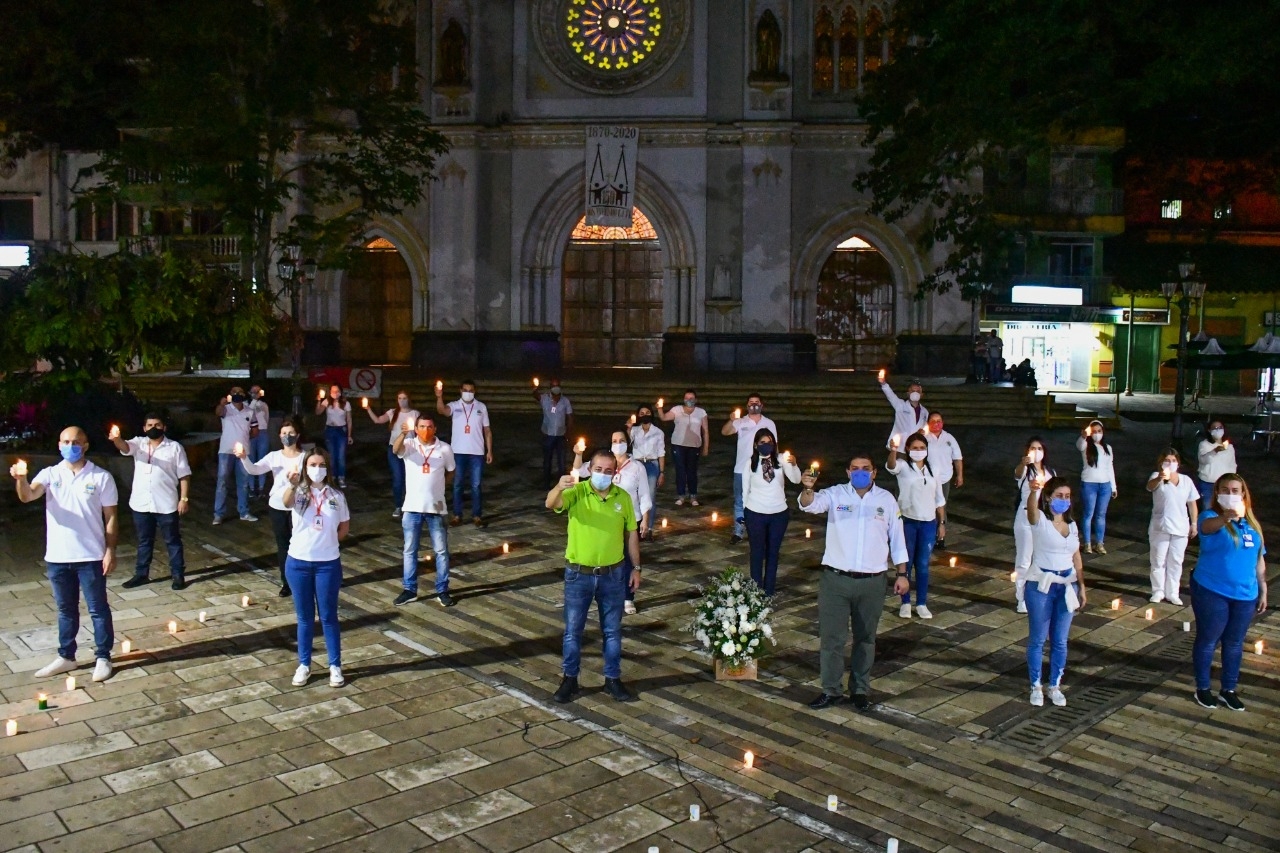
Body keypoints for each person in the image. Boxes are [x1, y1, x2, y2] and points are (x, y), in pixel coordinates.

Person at [799, 452, 909, 711]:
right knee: (832, 639)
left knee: (866, 638)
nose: (860, 472)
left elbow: (898, 539)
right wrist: (807, 488)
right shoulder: (836, 494)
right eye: (855, 468)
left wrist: (902, 574)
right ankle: (831, 689)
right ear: (848, 472)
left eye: (866, 468)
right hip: (835, 580)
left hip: (872, 581)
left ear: (874, 472)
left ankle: (860, 689)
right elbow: (809, 504)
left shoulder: (887, 500)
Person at [11, 427, 119, 683]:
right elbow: (27, 495)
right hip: (58, 556)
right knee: (65, 609)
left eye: (76, 442)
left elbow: (111, 516)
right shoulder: (50, 474)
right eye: (66, 442)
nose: (71, 446)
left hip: (90, 555)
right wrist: (20, 478)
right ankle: (66, 656)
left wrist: (110, 549)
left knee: (97, 608)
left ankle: (103, 656)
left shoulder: (102, 477)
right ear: (59, 444)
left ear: (86, 445)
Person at [545, 449, 641, 704]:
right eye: (598, 470)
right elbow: (551, 504)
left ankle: (612, 679)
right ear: (590, 469)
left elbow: (631, 534)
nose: (602, 475)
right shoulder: (577, 492)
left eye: (608, 471)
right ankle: (570, 679)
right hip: (579, 575)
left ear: (615, 472)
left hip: (613, 575)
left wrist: (637, 568)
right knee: (573, 631)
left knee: (612, 631)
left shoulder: (623, 498)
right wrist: (558, 486)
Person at [1191, 474, 1267, 711]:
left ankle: (1229, 689)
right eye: (1225, 490)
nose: (1231, 494)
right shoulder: (1211, 516)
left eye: (1236, 490)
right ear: (1217, 493)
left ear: (1244, 493)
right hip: (1213, 589)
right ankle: (1203, 688)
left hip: (1245, 594)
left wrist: (1263, 588)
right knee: (1209, 639)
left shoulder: (1252, 524)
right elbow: (1207, 528)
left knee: (1234, 643)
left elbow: (1258, 559)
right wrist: (1226, 517)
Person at [281, 448, 350, 688]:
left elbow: (344, 526)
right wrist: (292, 485)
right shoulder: (300, 492)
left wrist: (328, 542)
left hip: (327, 564)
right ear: (305, 467)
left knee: (329, 616)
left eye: (321, 464)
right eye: (312, 464)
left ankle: (335, 666)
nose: (317, 468)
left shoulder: (336, 496)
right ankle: (304, 664)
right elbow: (286, 502)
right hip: (298, 562)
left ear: (327, 468)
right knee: (304, 617)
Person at [1024, 475, 1087, 707]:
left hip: (1065, 586)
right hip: (1041, 586)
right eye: (1059, 496)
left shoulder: (1072, 526)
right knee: (1038, 639)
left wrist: (1082, 585)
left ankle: (1055, 685)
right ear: (1049, 497)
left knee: (1060, 640)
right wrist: (1034, 491)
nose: (1063, 500)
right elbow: (1031, 511)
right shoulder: (1040, 520)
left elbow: (1076, 556)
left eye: (1067, 496)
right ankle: (1036, 685)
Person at [572, 432, 651, 615]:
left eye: (621, 441)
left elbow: (645, 495)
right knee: (611, 558)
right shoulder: (604, 464)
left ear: (627, 443)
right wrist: (578, 453)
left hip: (630, 519)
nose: (618, 444)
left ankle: (628, 598)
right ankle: (606, 593)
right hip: (606, 518)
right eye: (614, 441)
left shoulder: (637, 467)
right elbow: (580, 471)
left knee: (629, 559)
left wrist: (645, 520)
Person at [110, 414, 191, 590]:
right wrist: (116, 439)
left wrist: (183, 498)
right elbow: (124, 447)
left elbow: (184, 475)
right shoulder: (139, 443)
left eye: (157, 424)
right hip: (141, 503)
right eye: (150, 425)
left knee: (172, 540)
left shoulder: (175, 448)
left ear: (164, 427)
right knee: (144, 540)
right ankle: (141, 574)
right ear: (144, 428)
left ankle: (178, 575)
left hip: (166, 503)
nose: (153, 427)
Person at [237, 418, 307, 596]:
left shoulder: (305, 457)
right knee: (283, 545)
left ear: (297, 435)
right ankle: (287, 582)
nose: (287, 436)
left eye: (291, 433)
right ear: (279, 436)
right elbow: (254, 470)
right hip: (277, 506)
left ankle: (304, 580)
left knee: (301, 544)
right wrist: (244, 457)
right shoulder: (274, 456)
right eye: (284, 433)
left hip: (298, 508)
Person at [393, 415, 457, 607]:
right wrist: (403, 433)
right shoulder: (410, 444)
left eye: (429, 427)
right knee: (410, 550)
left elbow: (451, 470)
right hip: (412, 507)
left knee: (441, 551)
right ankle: (409, 589)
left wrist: (441, 487)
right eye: (421, 426)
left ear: (435, 429)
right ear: (416, 428)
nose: (425, 430)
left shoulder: (444, 448)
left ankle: (442, 589)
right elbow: (396, 449)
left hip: (436, 507)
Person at [886, 433, 945, 619]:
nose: (918, 451)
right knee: (907, 562)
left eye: (922, 448)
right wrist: (894, 451)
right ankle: (905, 602)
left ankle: (921, 602)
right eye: (914, 448)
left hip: (928, 522)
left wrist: (941, 522)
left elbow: (939, 498)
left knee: (923, 564)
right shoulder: (903, 466)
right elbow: (891, 466)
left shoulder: (933, 468)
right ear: (908, 450)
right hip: (907, 521)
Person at [741, 429, 799, 597]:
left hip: (778, 514)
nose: (767, 446)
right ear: (756, 445)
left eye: (770, 442)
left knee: (773, 552)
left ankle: (769, 590)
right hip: (755, 513)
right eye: (763, 443)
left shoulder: (781, 461)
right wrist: (744, 513)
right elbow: (745, 490)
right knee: (757, 553)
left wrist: (794, 464)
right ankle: (755, 589)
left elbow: (795, 479)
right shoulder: (750, 463)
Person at [721, 394, 778, 544]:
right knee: (740, 500)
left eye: (757, 402)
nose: (754, 405)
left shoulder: (769, 423)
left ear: (762, 405)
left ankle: (759, 530)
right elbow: (725, 432)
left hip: (763, 467)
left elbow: (775, 446)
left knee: (762, 498)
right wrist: (732, 420)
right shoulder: (741, 422)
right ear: (747, 406)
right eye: (751, 403)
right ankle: (738, 531)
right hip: (741, 467)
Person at [1145, 448, 1199, 605]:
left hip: (1180, 527)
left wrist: (1194, 523)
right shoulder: (1156, 476)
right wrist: (1160, 478)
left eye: (1174, 461)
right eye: (1167, 461)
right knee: (1158, 560)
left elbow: (1192, 503)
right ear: (1161, 463)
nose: (1170, 463)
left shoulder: (1186, 480)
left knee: (1176, 561)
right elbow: (1150, 487)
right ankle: (1158, 591)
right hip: (1160, 526)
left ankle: (1173, 592)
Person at [437, 379, 492, 526]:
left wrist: (489, 451)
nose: (468, 393)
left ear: (475, 392)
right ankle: (457, 515)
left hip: (477, 452)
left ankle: (477, 515)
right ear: (460, 391)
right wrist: (439, 396)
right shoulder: (455, 406)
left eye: (471, 390)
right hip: (458, 452)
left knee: (476, 485)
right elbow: (442, 411)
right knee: (457, 484)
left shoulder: (481, 407)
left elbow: (487, 430)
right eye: (465, 390)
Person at [1013, 437, 1055, 613]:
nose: (1036, 451)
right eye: (1032, 448)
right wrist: (1023, 463)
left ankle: (1040, 595)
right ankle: (1021, 598)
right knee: (1024, 559)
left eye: (1039, 448)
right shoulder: (1025, 470)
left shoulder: (1050, 472)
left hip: (1044, 518)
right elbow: (1017, 473)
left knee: (1042, 559)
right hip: (1025, 517)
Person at [368, 391, 420, 518]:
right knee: (398, 477)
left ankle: (410, 505)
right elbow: (378, 420)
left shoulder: (415, 414)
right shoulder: (392, 412)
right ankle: (398, 505)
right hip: (394, 449)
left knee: (410, 478)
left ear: (409, 399)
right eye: (399, 398)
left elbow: (420, 430)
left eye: (404, 398)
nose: (402, 400)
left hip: (410, 449)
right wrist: (368, 408)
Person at [657, 389, 709, 506]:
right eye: (686, 398)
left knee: (692, 471)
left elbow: (705, 431)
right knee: (680, 471)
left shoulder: (701, 412)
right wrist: (660, 409)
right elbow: (664, 418)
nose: (689, 400)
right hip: (678, 445)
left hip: (694, 446)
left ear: (696, 400)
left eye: (691, 398)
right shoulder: (677, 410)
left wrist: (706, 447)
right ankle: (681, 496)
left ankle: (693, 496)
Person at [214, 387, 256, 523]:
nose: (237, 395)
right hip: (226, 451)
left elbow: (255, 430)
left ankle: (244, 511)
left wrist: (245, 438)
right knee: (222, 481)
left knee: (243, 483)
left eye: (240, 392)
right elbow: (218, 413)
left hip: (243, 452)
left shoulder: (250, 411)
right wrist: (222, 403)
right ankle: (218, 514)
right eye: (234, 393)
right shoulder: (226, 409)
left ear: (244, 395)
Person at [923, 411, 963, 549]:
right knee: (928, 506)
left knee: (941, 506)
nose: (936, 424)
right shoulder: (923, 437)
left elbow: (957, 458)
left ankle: (941, 536)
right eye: (932, 421)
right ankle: (928, 534)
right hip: (927, 478)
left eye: (938, 420)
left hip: (944, 478)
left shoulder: (949, 438)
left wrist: (960, 475)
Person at [1076, 420, 1117, 554]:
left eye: (1099, 431)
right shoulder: (1086, 446)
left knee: (1101, 515)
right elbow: (1079, 445)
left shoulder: (1108, 448)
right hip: (1089, 483)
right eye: (1094, 431)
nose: (1097, 434)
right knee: (1088, 513)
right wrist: (1083, 436)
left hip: (1105, 485)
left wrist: (1113, 487)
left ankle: (1100, 543)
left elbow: (1110, 467)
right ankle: (1087, 543)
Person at [629, 403, 665, 537]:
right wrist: (628, 428)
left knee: (649, 497)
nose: (645, 415)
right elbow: (629, 444)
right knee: (635, 495)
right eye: (642, 413)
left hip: (651, 465)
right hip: (637, 464)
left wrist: (661, 472)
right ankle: (636, 525)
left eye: (647, 412)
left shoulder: (658, 432)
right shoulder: (634, 430)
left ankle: (648, 528)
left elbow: (661, 453)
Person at [535, 378, 573, 489]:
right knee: (547, 461)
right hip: (548, 435)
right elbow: (535, 395)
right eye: (553, 386)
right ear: (550, 387)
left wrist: (569, 432)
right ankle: (546, 484)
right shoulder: (545, 399)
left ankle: (562, 485)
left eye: (557, 386)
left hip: (561, 435)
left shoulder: (565, 401)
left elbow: (570, 416)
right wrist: (535, 388)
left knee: (562, 462)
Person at [315, 385, 352, 488]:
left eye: (338, 391)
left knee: (340, 456)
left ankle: (341, 477)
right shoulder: (327, 402)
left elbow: (349, 420)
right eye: (333, 391)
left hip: (341, 430)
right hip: (330, 430)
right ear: (330, 392)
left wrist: (349, 435)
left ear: (341, 392)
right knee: (331, 455)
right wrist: (319, 401)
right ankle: (332, 477)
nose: (335, 393)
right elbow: (318, 412)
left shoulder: (346, 403)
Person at [878, 376, 928, 450]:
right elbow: (890, 396)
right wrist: (883, 383)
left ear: (921, 395)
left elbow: (925, 430)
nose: (915, 393)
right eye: (912, 391)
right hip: (900, 447)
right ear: (908, 393)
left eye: (917, 391)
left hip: (916, 449)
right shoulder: (900, 405)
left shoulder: (925, 412)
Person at [1196, 420, 1236, 510]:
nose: (1218, 430)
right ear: (1209, 431)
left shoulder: (1230, 447)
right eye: (1215, 428)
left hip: (1225, 483)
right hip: (1208, 483)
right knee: (1208, 508)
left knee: (1225, 509)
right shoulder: (1204, 445)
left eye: (1220, 428)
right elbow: (1203, 460)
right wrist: (1215, 451)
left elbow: (1232, 465)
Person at [247, 385, 270, 498]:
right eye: (254, 391)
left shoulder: (264, 405)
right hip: (251, 433)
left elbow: (266, 419)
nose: (256, 393)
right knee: (251, 460)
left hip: (262, 433)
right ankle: (251, 488)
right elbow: (249, 413)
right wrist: (254, 400)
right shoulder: (247, 405)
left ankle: (261, 488)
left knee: (262, 460)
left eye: (258, 391)